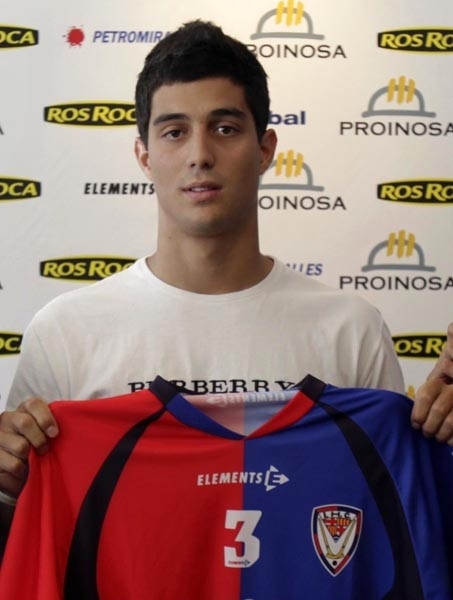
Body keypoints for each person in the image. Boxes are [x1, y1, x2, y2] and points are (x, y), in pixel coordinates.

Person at [0, 19, 451, 539]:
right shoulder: (65, 332)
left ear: (265, 149)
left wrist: (439, 441)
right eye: (174, 132)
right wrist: (8, 487)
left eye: (225, 128)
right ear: (144, 155)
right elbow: (29, 541)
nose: (200, 155)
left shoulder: (351, 328)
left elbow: (389, 527)